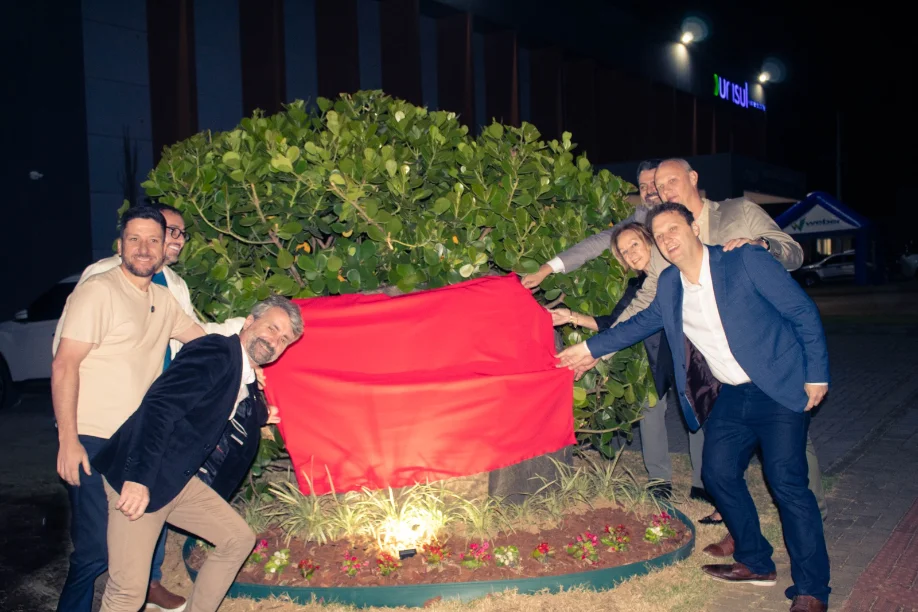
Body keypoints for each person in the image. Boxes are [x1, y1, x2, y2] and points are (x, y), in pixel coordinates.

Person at [558, 203, 831, 612]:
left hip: (777, 387)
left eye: (674, 228)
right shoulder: (670, 283)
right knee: (717, 473)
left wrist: (817, 373)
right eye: (660, 235)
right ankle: (755, 561)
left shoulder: (743, 261)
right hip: (733, 393)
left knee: (786, 483)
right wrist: (589, 349)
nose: (668, 238)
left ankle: (812, 589)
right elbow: (640, 323)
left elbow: (801, 312)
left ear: (694, 228)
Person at [53, 203, 247, 612]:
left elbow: (206, 345)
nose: (144, 248)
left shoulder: (163, 298)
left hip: (136, 442)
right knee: (94, 551)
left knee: (128, 547)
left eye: (153, 240)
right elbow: (65, 364)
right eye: (135, 239)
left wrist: (248, 364)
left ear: (164, 248)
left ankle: (146, 588)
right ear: (120, 244)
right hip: (93, 437)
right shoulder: (99, 289)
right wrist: (68, 439)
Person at [91, 295, 304, 612]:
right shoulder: (215, 351)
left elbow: (238, 402)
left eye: (284, 339)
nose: (274, 341)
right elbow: (159, 408)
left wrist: (262, 414)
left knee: (237, 539)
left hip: (176, 480)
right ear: (248, 322)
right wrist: (138, 478)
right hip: (143, 475)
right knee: (128, 592)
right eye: (272, 328)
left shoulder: (245, 377)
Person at [547, 222, 680, 499]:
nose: (631, 253)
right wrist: (571, 316)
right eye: (624, 251)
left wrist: (592, 351)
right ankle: (660, 479)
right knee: (651, 409)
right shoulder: (637, 286)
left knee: (699, 410)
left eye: (634, 244)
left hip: (688, 351)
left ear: (650, 241)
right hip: (656, 357)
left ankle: (703, 482)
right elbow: (615, 323)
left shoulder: (674, 271)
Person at [521, 158, 664, 290]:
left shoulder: (679, 213)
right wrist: (545, 269)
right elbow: (596, 243)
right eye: (643, 186)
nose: (649, 191)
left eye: (653, 183)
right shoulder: (641, 217)